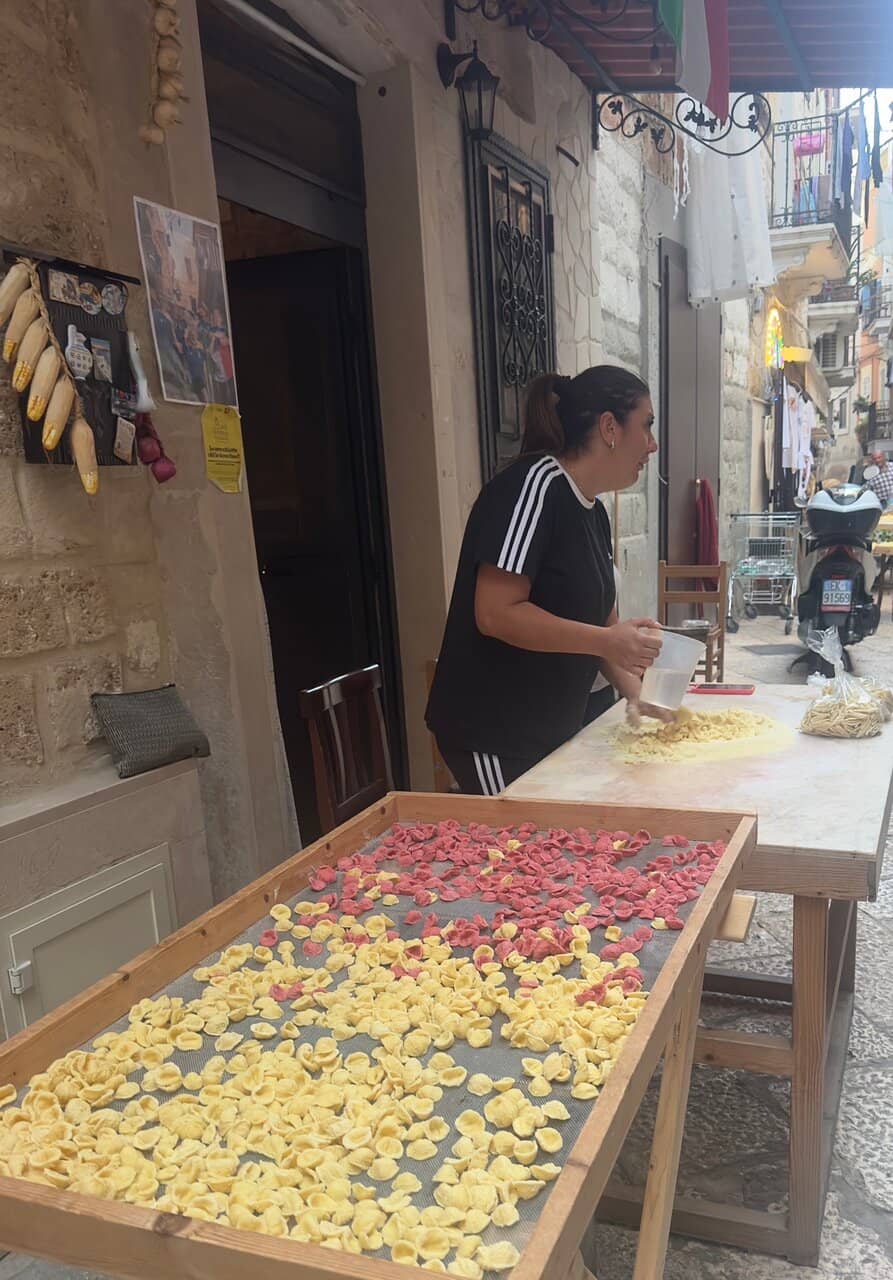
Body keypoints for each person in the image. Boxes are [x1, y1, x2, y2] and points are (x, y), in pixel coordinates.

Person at [425, 365, 665, 796]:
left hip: (552, 729)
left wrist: (641, 698)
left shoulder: (593, 511)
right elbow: (495, 613)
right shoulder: (533, 488)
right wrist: (607, 641)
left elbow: (602, 628)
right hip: (495, 735)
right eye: (646, 425)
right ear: (609, 427)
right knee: (525, 838)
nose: (652, 444)